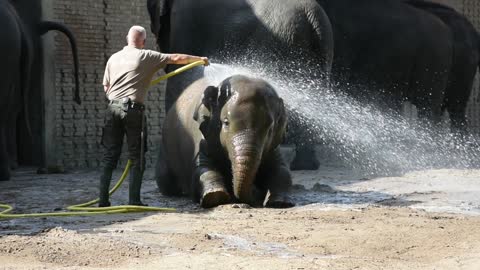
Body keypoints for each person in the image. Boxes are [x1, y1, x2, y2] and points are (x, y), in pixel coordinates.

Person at [99, 25, 209, 207]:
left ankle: (103, 201)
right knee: (136, 157)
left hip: (112, 109)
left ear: (127, 39)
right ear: (143, 41)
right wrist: (201, 59)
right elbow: (176, 58)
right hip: (133, 110)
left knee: (110, 156)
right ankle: (134, 200)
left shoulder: (114, 58)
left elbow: (106, 88)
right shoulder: (146, 55)